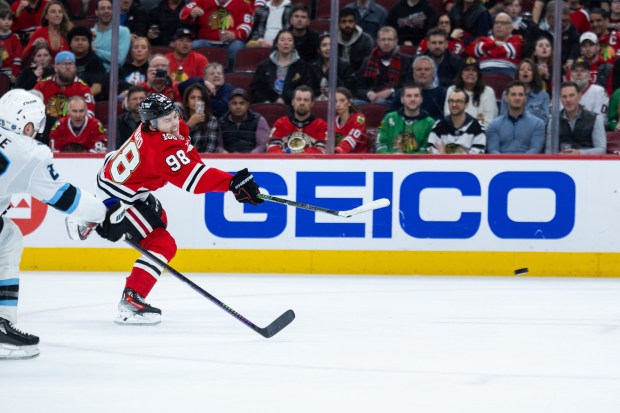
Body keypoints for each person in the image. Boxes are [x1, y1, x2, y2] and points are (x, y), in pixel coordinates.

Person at [96, 92, 263, 325]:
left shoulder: (162, 129)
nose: (174, 122)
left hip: (124, 185)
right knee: (163, 244)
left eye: (174, 115)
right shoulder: (161, 148)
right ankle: (131, 300)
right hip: (119, 198)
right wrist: (232, 182)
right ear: (151, 124)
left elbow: (192, 162)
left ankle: (90, 214)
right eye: (166, 120)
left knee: (159, 219)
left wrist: (229, 183)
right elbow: (193, 179)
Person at [0, 89, 124, 359]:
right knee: (7, 239)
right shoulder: (28, 153)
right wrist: (100, 213)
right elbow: (65, 198)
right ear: (27, 124)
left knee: (7, 235)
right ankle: (1, 327)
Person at [179, 0, 253, 70]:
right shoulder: (202, 1)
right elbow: (183, 13)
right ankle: (195, 72)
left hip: (230, 43)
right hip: (205, 41)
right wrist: (191, 13)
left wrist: (235, 34)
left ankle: (230, 75)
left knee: (237, 47)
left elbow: (246, 25)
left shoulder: (242, 3)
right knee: (195, 45)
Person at [250, 29, 317, 105]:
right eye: (282, 40)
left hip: (294, 107)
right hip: (268, 105)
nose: (286, 43)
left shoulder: (303, 67)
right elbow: (256, 88)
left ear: (293, 44)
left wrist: (287, 99)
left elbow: (307, 89)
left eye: (289, 40)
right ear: (276, 44)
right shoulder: (264, 65)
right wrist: (269, 101)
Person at [546, 81, 606, 155]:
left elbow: (601, 149)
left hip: (588, 164)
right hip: (562, 164)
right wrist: (559, 155)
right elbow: (549, 151)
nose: (568, 100)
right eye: (564, 96)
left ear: (579, 96)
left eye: (571, 95)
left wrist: (579, 153)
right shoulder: (553, 121)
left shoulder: (596, 119)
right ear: (560, 99)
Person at [486, 80, 545, 154]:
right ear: (506, 98)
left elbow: (535, 149)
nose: (517, 98)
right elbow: (493, 150)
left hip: (528, 164)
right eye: (513, 94)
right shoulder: (494, 125)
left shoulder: (538, 124)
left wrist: (518, 164)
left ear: (525, 98)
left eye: (520, 95)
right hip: (501, 164)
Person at [375, 83, 435, 154]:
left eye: (416, 95)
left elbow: (428, 149)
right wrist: (391, 158)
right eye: (409, 96)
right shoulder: (389, 118)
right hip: (390, 163)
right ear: (402, 99)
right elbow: (380, 144)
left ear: (421, 99)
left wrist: (407, 160)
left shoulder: (430, 123)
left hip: (417, 164)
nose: (413, 99)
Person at [356, 26, 410, 105]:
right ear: (378, 41)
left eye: (390, 39)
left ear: (396, 41)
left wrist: (392, 91)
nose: (386, 43)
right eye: (383, 39)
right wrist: (368, 94)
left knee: (380, 102)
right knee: (352, 104)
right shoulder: (368, 61)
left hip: (395, 100)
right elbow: (358, 88)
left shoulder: (406, 61)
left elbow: (409, 85)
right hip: (370, 99)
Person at [266, 85, 327, 154]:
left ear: (312, 103)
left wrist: (297, 158)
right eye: (298, 99)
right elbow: (271, 147)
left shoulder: (321, 125)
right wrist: (287, 159)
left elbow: (322, 150)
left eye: (306, 100)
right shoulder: (281, 123)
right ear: (292, 102)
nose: (302, 103)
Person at [34, 50, 95, 118]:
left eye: (71, 64)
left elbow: (90, 114)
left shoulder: (83, 88)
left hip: (71, 126)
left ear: (75, 67)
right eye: (64, 64)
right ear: (55, 67)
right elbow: (31, 110)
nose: (68, 67)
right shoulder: (42, 86)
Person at [428, 88, 486, 154]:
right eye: (451, 101)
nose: (454, 105)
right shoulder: (438, 126)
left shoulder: (478, 127)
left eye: (459, 101)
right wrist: (463, 151)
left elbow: (478, 156)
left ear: (466, 105)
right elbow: (430, 150)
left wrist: (448, 149)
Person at [466, 12, 523, 77]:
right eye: (496, 23)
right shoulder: (482, 39)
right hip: (483, 71)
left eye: (503, 23)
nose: (498, 25)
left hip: (507, 73)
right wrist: (495, 43)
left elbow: (510, 51)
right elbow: (470, 51)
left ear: (510, 27)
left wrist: (488, 51)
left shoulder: (517, 39)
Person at [443, 57, 497, 127]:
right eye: (467, 70)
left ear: (478, 74)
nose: (470, 73)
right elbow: (448, 116)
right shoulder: (452, 90)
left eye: (474, 70)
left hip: (481, 134)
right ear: (461, 73)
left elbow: (489, 121)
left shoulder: (488, 92)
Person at [499, 58, 550, 125]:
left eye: (529, 69)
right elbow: (503, 117)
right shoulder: (507, 94)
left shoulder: (543, 96)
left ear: (534, 73)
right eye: (522, 69)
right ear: (518, 74)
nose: (525, 71)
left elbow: (544, 121)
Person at [219, 88, 270, 153]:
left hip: (252, 160)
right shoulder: (221, 121)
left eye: (242, 103)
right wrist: (227, 155)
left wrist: (246, 158)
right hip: (226, 160)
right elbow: (218, 146)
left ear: (247, 105)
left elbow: (262, 146)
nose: (238, 107)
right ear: (229, 105)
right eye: (234, 103)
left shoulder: (259, 120)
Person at [311, 33, 355, 100]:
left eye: (331, 45)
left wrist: (330, 73)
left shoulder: (345, 66)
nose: (328, 48)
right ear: (318, 50)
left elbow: (349, 90)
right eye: (324, 45)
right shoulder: (313, 67)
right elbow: (310, 89)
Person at [181, 82, 222, 153]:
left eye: (200, 98)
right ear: (187, 102)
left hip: (204, 160)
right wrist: (188, 125)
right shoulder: (179, 119)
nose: (196, 101)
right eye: (193, 97)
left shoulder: (211, 120)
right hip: (182, 159)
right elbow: (173, 142)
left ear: (204, 102)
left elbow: (211, 148)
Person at [67, 26, 105, 99]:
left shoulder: (95, 61)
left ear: (89, 43)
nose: (80, 43)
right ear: (70, 43)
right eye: (76, 39)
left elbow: (97, 88)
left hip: (88, 101)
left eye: (84, 40)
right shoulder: (65, 61)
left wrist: (78, 99)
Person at [91, 0, 131, 71]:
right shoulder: (90, 33)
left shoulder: (123, 32)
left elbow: (118, 59)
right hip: (92, 74)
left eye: (109, 8)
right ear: (96, 12)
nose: (106, 11)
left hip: (114, 76)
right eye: (102, 8)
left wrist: (95, 51)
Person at [337, 7, 374, 75]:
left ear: (355, 23)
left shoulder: (366, 40)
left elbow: (367, 67)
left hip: (359, 80)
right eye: (343, 22)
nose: (347, 25)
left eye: (350, 21)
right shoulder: (332, 41)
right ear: (338, 24)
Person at [334, 87, 368, 153]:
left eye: (342, 101)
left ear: (349, 102)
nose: (338, 104)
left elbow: (350, 140)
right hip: (338, 159)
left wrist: (336, 152)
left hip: (359, 159)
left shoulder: (360, 118)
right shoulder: (333, 121)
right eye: (335, 101)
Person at [117, 84, 146, 149]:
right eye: (134, 99)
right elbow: (117, 146)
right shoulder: (119, 121)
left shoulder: (153, 122)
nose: (138, 102)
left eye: (141, 98)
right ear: (128, 102)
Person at [0, 8, 22, 83]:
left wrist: (14, 74)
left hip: (10, 71)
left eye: (9, 19)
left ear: (12, 21)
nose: (7, 22)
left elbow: (18, 58)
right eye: (3, 19)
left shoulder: (15, 38)